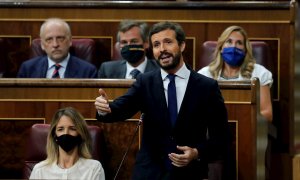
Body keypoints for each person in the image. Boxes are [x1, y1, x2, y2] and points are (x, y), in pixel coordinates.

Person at [95, 21, 228, 180]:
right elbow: (120, 108)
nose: (162, 49)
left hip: (189, 173)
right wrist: (105, 108)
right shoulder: (145, 82)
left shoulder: (207, 87)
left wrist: (196, 153)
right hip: (149, 173)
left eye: (168, 42)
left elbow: (221, 138)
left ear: (182, 45)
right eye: (156, 45)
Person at [197, 25, 273, 122]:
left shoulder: (259, 73)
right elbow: (196, 111)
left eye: (239, 43)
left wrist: (241, 120)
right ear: (221, 48)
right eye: (229, 42)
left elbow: (267, 114)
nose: (233, 47)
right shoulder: (205, 75)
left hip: (247, 129)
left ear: (245, 50)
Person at [29, 107, 105, 180]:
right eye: (60, 129)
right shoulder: (39, 170)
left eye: (72, 129)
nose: (66, 133)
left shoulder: (94, 169)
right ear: (54, 135)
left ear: (80, 134)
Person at [17, 18, 97, 78]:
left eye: (60, 38)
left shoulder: (88, 71)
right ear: (42, 44)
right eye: (49, 39)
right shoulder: (27, 69)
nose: (55, 44)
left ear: (70, 41)